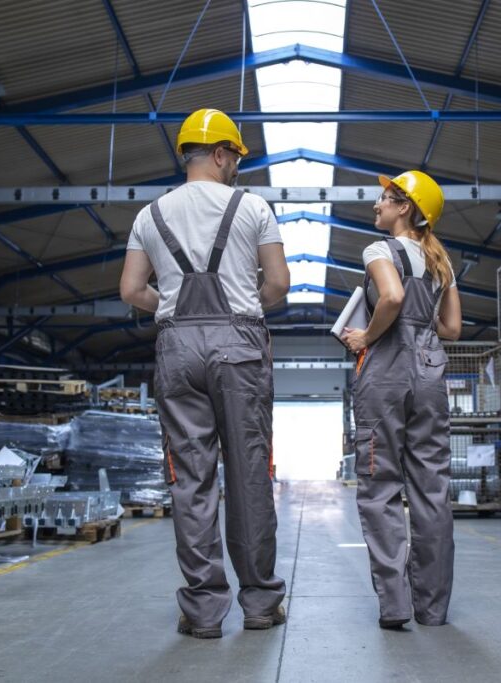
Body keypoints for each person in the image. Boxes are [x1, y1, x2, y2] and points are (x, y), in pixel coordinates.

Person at [119, 108, 290, 639]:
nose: (236, 166)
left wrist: (171, 305)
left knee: (191, 481)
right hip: (237, 345)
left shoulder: (149, 215)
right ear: (220, 153)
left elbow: (130, 291)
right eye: (235, 156)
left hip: (176, 347)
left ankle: (202, 611)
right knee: (248, 475)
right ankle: (260, 603)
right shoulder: (252, 207)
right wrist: (244, 307)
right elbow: (279, 285)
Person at [341, 170, 462, 629]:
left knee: (381, 486)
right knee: (432, 490)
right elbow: (451, 329)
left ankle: (395, 605)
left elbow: (389, 297)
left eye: (385, 199)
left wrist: (365, 338)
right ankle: (432, 609)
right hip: (431, 371)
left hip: (387, 370)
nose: (377, 204)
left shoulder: (379, 250)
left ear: (405, 207)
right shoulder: (441, 262)